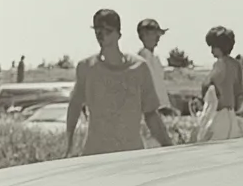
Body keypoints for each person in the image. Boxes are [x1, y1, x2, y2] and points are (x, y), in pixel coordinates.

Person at [66, 8, 172, 156]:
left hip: (130, 155)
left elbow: (151, 113)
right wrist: (68, 144)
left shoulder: (139, 67)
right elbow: (75, 105)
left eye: (107, 30)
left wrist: (169, 146)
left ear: (118, 34)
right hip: (96, 155)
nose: (102, 35)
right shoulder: (87, 68)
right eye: (98, 30)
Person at [193, 26, 243, 142]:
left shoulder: (219, 65)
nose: (211, 51)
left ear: (221, 46)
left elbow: (208, 87)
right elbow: (239, 93)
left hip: (218, 115)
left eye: (213, 47)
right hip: (231, 115)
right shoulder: (236, 65)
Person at [135, 17, 172, 112]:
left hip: (161, 107)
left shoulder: (155, 59)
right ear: (143, 36)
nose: (158, 37)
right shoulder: (143, 57)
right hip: (153, 110)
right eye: (154, 34)